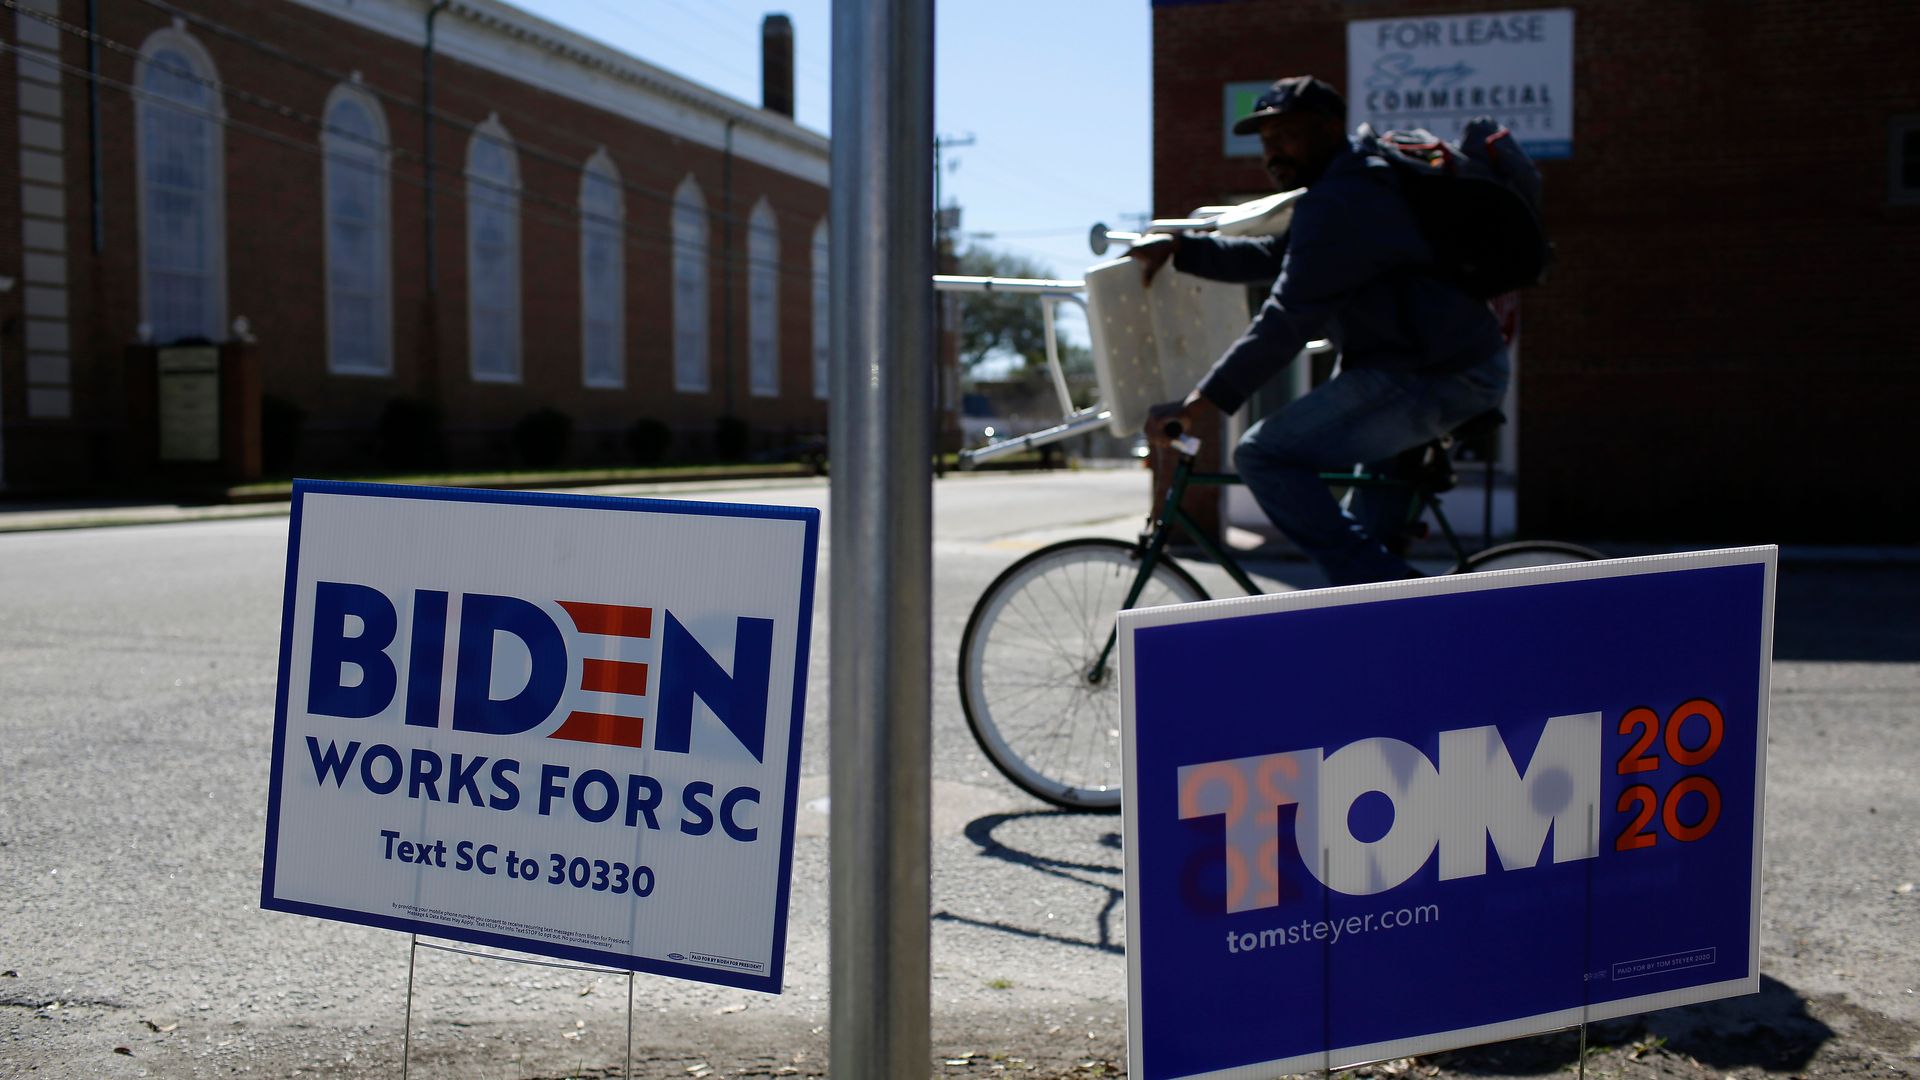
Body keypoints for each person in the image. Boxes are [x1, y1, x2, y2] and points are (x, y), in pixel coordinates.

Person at [1136, 75, 1510, 585]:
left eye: (1285, 135)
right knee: (1366, 543)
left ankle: (1405, 605)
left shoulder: (1344, 200)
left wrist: (1198, 405)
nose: (1272, 152)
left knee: (1263, 454)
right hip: (1434, 366)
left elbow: (1286, 320)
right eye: (1265, 142)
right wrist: (1182, 250)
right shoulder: (1350, 183)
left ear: (1329, 128)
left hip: (1435, 374)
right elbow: (1276, 255)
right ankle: (1388, 625)